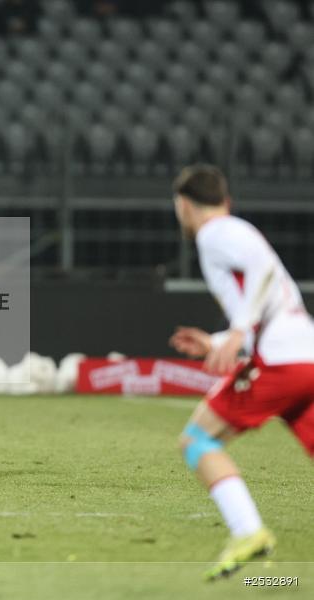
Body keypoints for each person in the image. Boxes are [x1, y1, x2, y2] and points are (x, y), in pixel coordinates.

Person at [168, 164, 314, 580]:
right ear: (225, 199)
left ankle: (248, 531)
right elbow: (267, 294)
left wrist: (236, 332)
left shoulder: (217, 233)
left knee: (197, 440)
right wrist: (217, 342)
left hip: (279, 361)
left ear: (183, 205)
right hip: (306, 356)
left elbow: (264, 270)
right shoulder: (237, 230)